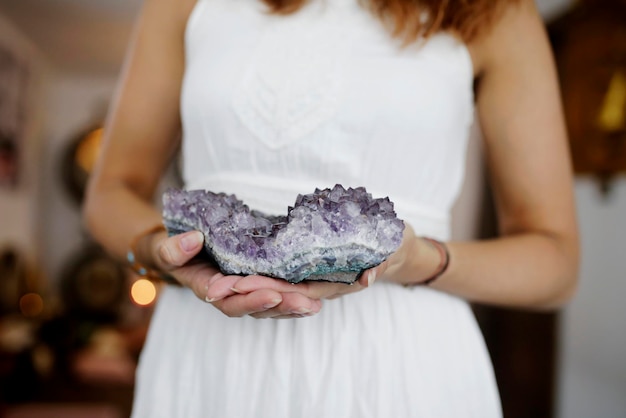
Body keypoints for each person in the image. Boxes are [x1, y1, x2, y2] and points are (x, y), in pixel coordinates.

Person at [84, 0, 579, 416]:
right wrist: (159, 250)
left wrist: (415, 259)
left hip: (400, 365)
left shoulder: (497, 12)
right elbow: (110, 193)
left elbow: (556, 263)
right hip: (204, 349)